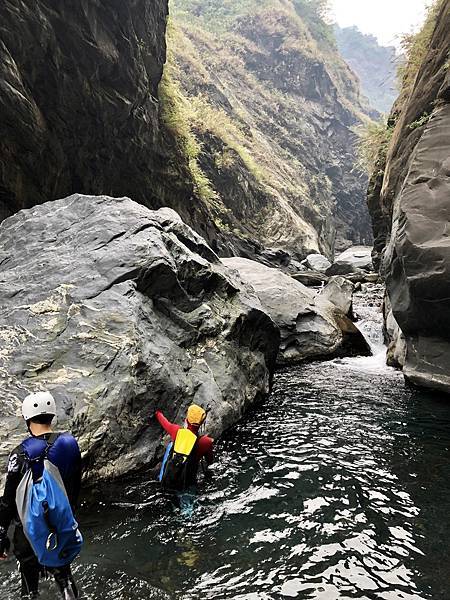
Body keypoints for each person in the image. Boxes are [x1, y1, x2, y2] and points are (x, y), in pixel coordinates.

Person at [0, 391, 82, 599]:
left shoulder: (20, 453)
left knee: (30, 589)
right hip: (60, 525)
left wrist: (1, 535)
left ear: (27, 418)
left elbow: (8, 501)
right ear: (52, 414)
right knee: (64, 577)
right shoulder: (69, 444)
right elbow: (74, 486)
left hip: (28, 531)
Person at [155, 404, 214, 492]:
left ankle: (161, 477)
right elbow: (210, 461)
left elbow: (164, 422)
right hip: (187, 483)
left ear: (186, 420)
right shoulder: (206, 442)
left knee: (171, 445)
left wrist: (157, 412)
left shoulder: (177, 431)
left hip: (169, 478)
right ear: (201, 423)